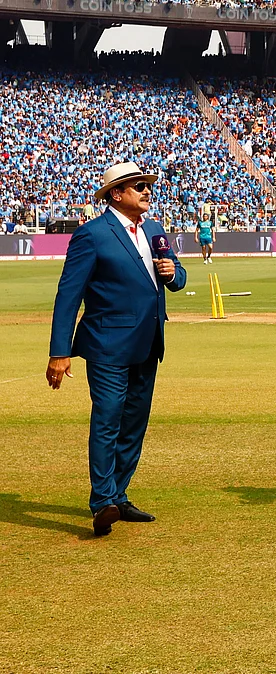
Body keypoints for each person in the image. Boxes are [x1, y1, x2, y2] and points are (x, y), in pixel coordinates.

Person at [47, 162, 187, 537]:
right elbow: (68, 295)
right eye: (138, 186)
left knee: (134, 425)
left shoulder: (154, 230)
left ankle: (118, 495)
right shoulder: (92, 234)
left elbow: (177, 276)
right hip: (106, 345)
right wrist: (59, 351)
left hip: (148, 343)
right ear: (116, 193)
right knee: (107, 420)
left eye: (147, 185)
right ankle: (102, 502)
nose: (146, 190)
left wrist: (173, 273)